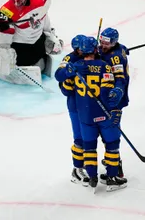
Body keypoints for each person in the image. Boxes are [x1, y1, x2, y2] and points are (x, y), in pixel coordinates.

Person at [62, 36, 127, 192]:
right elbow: (107, 91)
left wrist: (70, 75)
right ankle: (102, 174)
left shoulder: (74, 65)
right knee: (110, 144)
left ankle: (92, 176)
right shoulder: (104, 66)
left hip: (83, 111)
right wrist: (114, 107)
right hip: (102, 112)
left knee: (87, 145)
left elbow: (65, 89)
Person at [0, 0, 63, 86]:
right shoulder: (7, 10)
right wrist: (4, 52)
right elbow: (2, 36)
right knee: (15, 65)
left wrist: (51, 36)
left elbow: (45, 19)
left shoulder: (37, 0)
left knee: (41, 63)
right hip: (21, 45)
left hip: (38, 40)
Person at [54, 34, 88, 186]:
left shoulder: (91, 54)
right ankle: (77, 168)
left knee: (91, 137)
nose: (86, 50)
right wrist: (70, 70)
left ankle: (89, 163)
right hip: (75, 104)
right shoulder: (69, 59)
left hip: (91, 104)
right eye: (82, 49)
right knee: (79, 137)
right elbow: (58, 75)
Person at [98, 27, 130, 183]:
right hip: (105, 98)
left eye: (106, 43)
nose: (102, 46)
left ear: (114, 42)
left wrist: (117, 91)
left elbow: (120, 80)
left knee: (111, 137)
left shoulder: (116, 57)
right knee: (107, 135)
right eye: (101, 42)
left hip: (114, 100)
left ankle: (116, 169)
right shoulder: (117, 49)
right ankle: (112, 163)